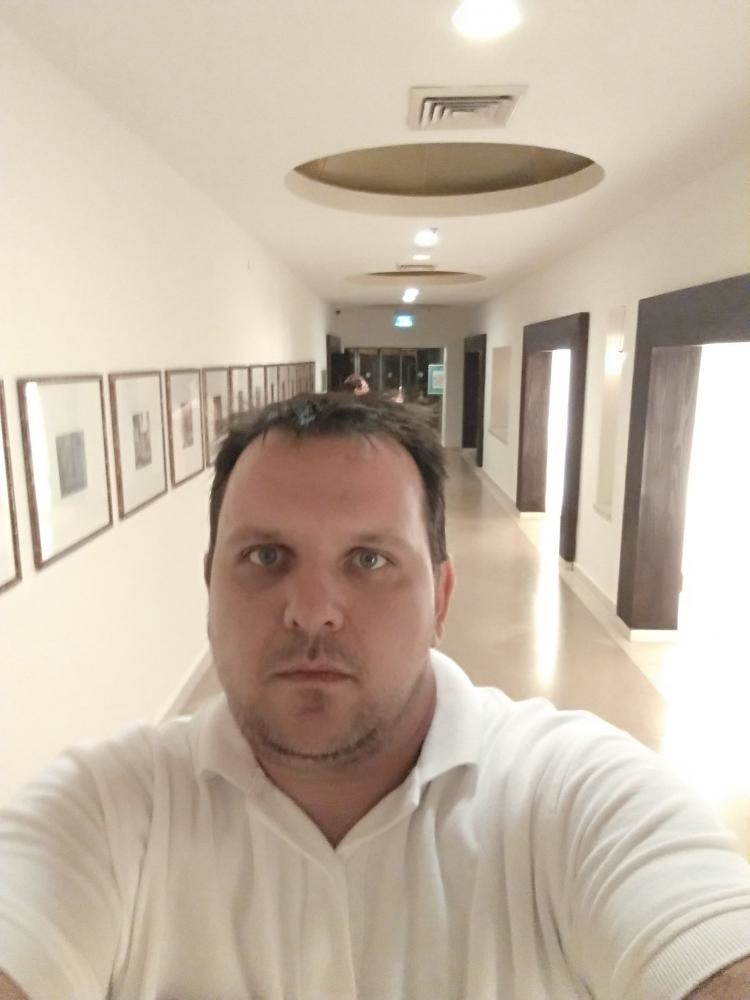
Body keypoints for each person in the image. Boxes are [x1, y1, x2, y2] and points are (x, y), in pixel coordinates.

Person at [1, 394, 749, 1000]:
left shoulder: (576, 796)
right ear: (210, 586)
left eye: (369, 560)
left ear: (440, 599)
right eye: (266, 556)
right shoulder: (104, 812)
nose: (312, 611)